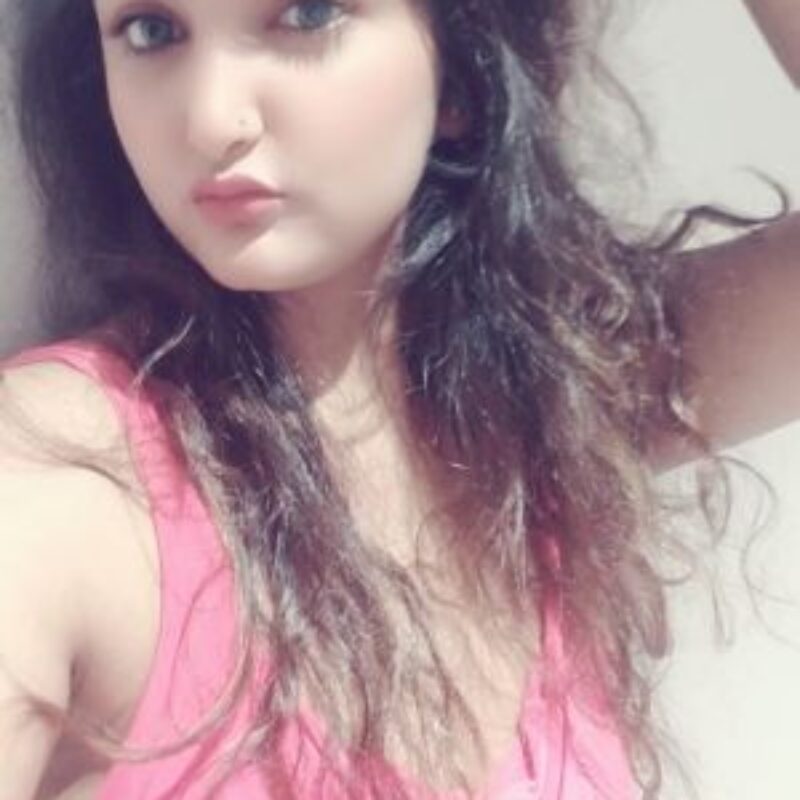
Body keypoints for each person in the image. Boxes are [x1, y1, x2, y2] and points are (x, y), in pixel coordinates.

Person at [0, 1, 796, 799]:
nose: (209, 119)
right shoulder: (59, 481)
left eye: (306, 13)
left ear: (460, 69)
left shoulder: (560, 402)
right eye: (151, 31)